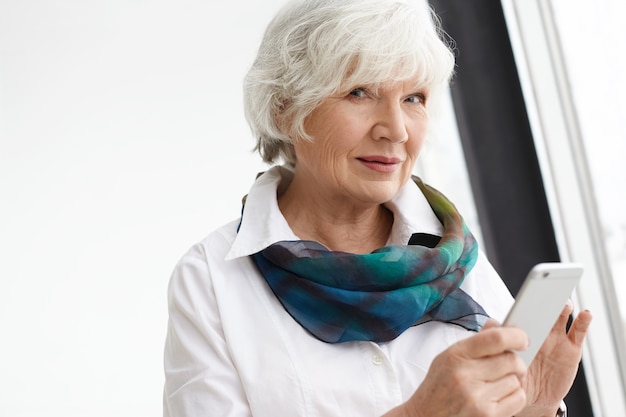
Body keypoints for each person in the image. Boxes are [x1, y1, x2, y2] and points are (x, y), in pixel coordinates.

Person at [163, 0, 592, 416]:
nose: (396, 130)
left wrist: (534, 410)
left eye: (414, 98)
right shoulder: (211, 279)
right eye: (360, 92)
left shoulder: (454, 254)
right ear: (285, 108)